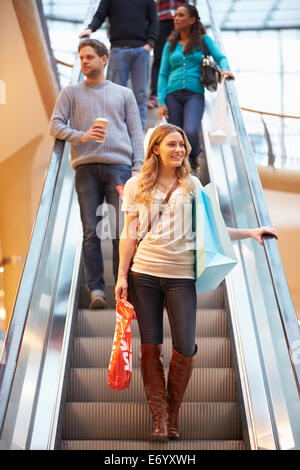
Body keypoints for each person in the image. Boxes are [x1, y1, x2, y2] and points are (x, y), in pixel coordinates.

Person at [114, 123, 278, 441]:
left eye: (182, 145)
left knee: (185, 347)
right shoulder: (136, 185)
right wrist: (121, 275)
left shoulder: (192, 186)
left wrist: (250, 233)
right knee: (150, 347)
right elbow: (129, 233)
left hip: (181, 277)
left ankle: (171, 415)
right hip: (144, 275)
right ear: (156, 149)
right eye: (172, 144)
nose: (179, 150)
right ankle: (162, 421)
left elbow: (214, 229)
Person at [50, 39, 144, 310]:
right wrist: (82, 136)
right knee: (91, 231)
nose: (84, 62)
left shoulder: (123, 94)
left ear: (104, 60)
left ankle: (122, 286)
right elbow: (55, 125)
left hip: (120, 168)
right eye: (81, 57)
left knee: (121, 232)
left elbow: (136, 133)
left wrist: (137, 168)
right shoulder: (70, 93)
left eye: (90, 57)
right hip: (85, 169)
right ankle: (97, 291)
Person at [157, 4, 235, 170]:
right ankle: (179, 168)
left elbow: (221, 57)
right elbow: (163, 74)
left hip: (194, 95)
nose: (176, 18)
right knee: (174, 135)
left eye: (181, 15)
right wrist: (161, 102)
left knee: (190, 131)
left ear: (192, 20)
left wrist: (225, 69)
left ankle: (193, 157)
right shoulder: (169, 45)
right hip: (172, 95)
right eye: (175, 15)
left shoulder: (203, 40)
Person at [79, 0, 158, 130]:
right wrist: (90, 29)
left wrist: (150, 43)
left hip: (141, 50)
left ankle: (139, 131)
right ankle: (116, 130)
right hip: (118, 49)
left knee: (140, 94)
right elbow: (100, 15)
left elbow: (154, 20)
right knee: (115, 93)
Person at [147, 0, 187, 109]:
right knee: (158, 59)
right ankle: (154, 95)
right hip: (161, 18)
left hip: (181, 19)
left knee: (179, 59)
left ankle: (174, 92)